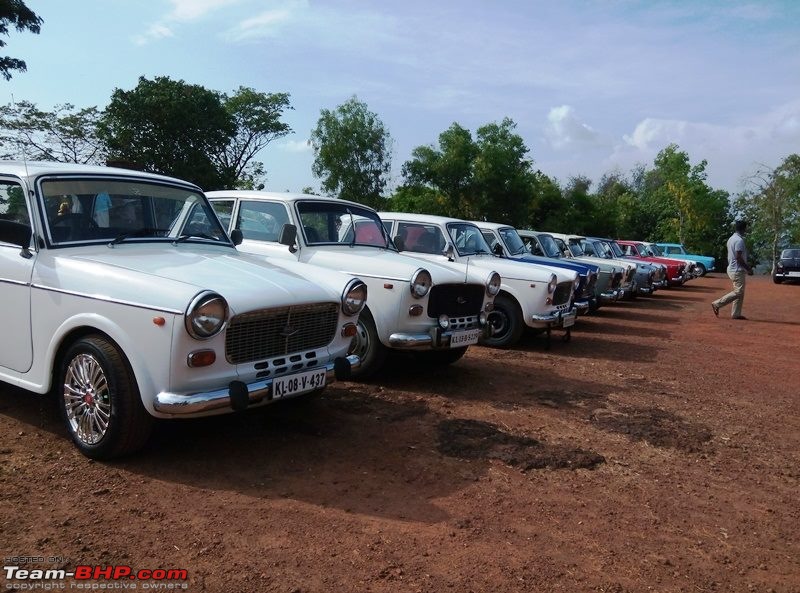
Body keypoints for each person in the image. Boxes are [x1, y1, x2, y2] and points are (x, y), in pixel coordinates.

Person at [711, 220, 753, 320]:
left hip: (732, 268)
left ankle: (736, 314)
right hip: (737, 270)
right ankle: (717, 304)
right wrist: (748, 269)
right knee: (739, 292)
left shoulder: (731, 239)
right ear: (744, 228)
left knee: (739, 291)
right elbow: (739, 257)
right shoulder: (739, 241)